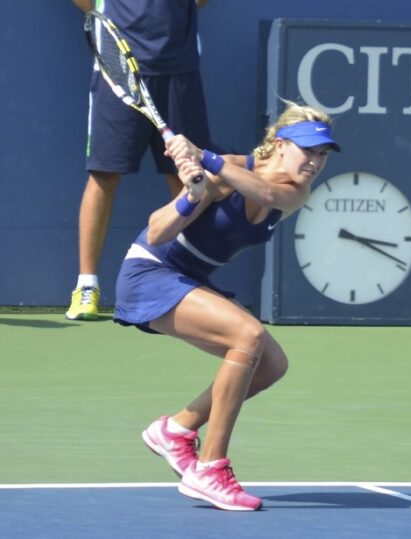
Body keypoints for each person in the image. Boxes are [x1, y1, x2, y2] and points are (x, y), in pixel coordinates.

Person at [114, 101, 340, 511]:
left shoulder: (294, 191)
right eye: (308, 150)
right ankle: (209, 468)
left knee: (272, 364)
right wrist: (192, 196)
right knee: (248, 336)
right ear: (280, 144)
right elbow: (158, 229)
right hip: (150, 272)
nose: (315, 161)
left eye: (323, 153)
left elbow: (267, 193)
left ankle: (177, 430)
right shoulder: (224, 176)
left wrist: (206, 158)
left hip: (190, 279)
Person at [67, 0, 211, 321]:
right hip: (116, 70)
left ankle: (189, 281)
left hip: (180, 69)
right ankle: (87, 285)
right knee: (103, 175)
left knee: (186, 178)